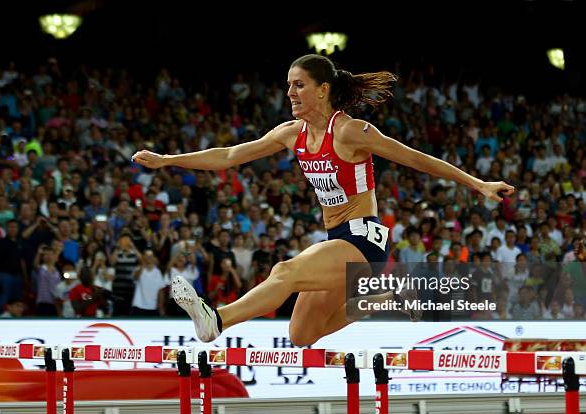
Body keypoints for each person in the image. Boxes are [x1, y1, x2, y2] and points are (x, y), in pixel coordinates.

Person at [132, 54, 514, 345]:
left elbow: (417, 158)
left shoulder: (350, 131)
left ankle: (217, 318)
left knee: (284, 272)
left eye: (298, 85)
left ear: (323, 90)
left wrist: (478, 184)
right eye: (288, 86)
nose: (290, 94)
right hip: (336, 243)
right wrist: (168, 161)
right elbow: (229, 156)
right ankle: (384, 297)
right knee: (301, 335)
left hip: (364, 242)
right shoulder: (289, 133)